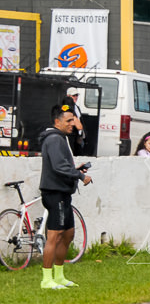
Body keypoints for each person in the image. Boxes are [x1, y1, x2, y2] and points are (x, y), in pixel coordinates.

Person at [38, 103, 92, 289]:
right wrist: (80, 175)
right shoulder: (54, 139)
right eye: (69, 120)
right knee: (55, 235)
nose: (73, 123)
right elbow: (59, 167)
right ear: (57, 121)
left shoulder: (61, 138)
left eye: (73, 119)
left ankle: (59, 276)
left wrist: (75, 170)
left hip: (63, 192)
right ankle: (46, 279)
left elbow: (62, 165)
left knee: (68, 234)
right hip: (55, 193)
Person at [62, 86, 86, 155]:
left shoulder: (77, 107)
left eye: (77, 95)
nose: (76, 97)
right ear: (68, 96)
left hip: (78, 136)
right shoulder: (65, 106)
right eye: (73, 95)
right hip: (70, 136)